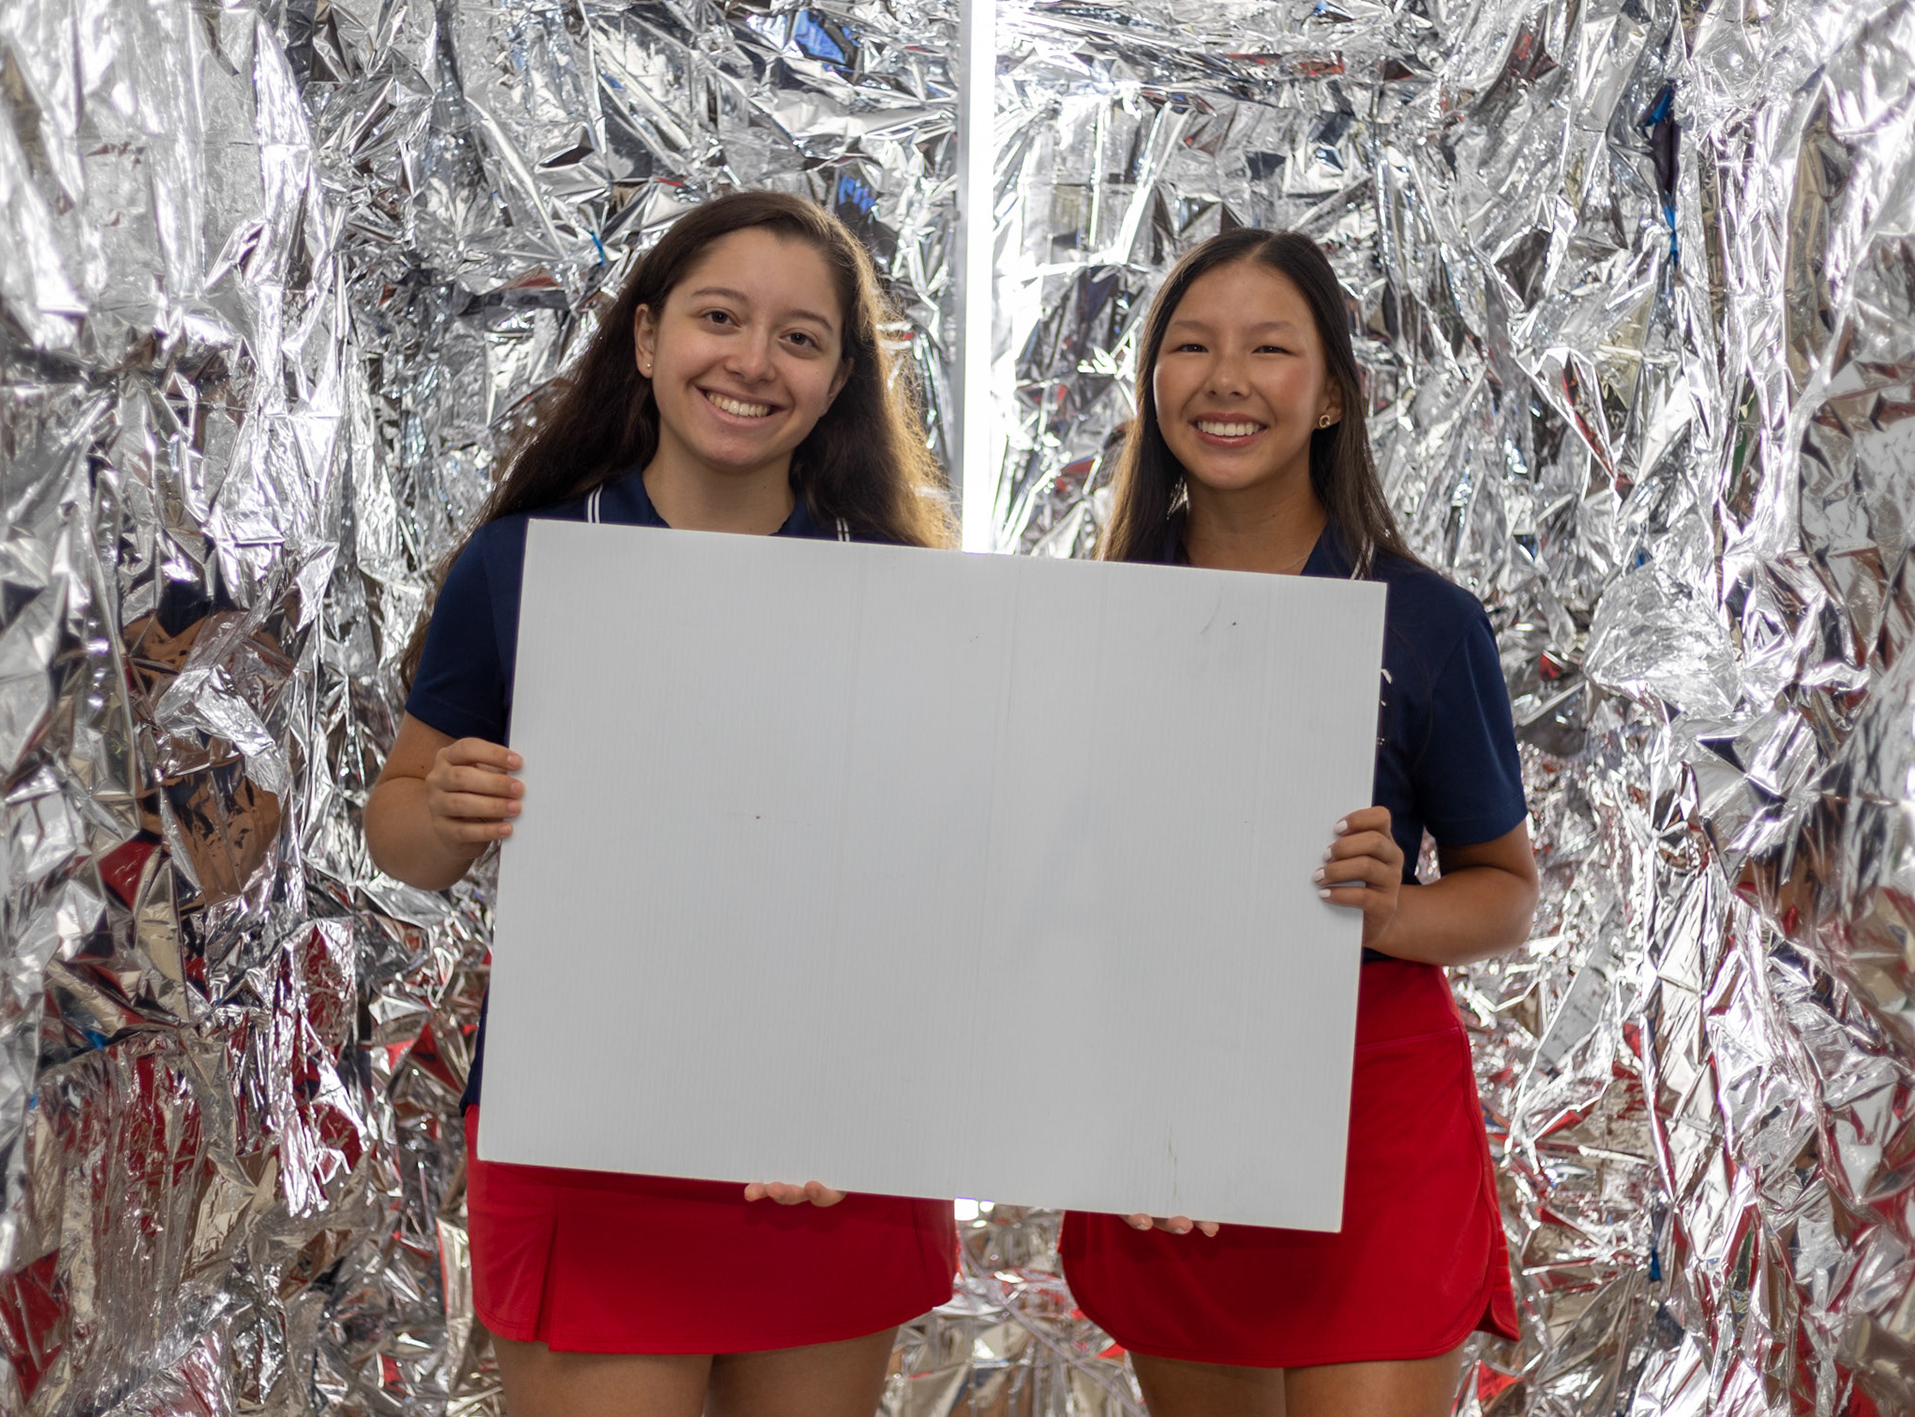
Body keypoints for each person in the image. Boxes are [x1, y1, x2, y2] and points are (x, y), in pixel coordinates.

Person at [363, 191, 960, 1417]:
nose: (752, 361)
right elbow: (402, 832)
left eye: (800, 337)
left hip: (824, 1145)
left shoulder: (901, 596)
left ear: (841, 376)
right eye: (720, 318)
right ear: (647, 339)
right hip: (596, 1131)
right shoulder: (526, 563)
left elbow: (943, 885)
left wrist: (862, 1095)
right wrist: (452, 807)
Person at [1058, 229, 1540, 1416]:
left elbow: (1505, 887)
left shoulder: (1426, 620)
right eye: (1191, 346)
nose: (1226, 379)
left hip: (1372, 1122)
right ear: (1153, 383)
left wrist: (1395, 908)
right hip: (1165, 1108)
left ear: (1334, 394)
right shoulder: (1085, 619)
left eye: (1270, 348)